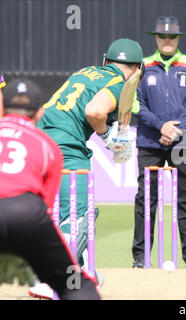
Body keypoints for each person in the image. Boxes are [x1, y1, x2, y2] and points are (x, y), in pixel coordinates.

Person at [29, 38, 144, 299]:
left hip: (37, 140)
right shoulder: (117, 84)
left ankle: (77, 271)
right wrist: (106, 134)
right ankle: (51, 280)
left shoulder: (84, 72)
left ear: (106, 61)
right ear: (138, 69)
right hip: (66, 146)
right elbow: (94, 111)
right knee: (80, 216)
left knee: (55, 214)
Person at [0, 78, 100, 299]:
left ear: (3, 108)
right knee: (76, 285)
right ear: (39, 114)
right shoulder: (48, 145)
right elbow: (46, 205)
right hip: (26, 212)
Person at [131, 16, 186, 269]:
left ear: (178, 39)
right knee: (146, 199)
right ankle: (141, 259)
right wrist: (159, 126)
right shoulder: (142, 65)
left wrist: (174, 129)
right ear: (155, 37)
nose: (167, 40)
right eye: (162, 36)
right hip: (149, 140)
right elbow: (134, 102)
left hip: (182, 140)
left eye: (171, 36)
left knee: (184, 199)